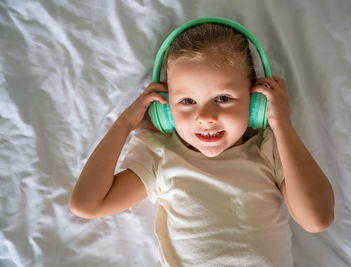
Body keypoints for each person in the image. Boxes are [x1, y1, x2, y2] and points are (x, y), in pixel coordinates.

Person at [70, 23, 335, 266]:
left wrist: (282, 124)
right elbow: (87, 204)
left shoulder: (268, 151)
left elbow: (316, 219)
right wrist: (125, 123)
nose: (206, 117)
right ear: (166, 110)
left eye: (223, 98)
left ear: (256, 102)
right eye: (187, 101)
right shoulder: (160, 155)